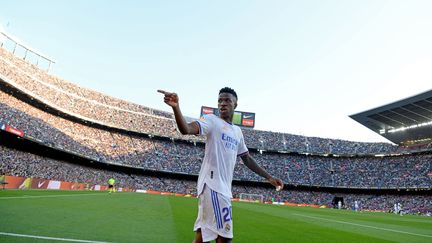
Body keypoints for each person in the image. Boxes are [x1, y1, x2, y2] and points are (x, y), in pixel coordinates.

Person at [158, 87, 284, 243]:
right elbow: (186, 129)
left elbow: (247, 158)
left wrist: (269, 177)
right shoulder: (212, 121)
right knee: (225, 237)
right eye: (220, 101)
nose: (222, 104)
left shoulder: (237, 131)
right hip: (213, 186)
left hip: (222, 188)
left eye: (227, 100)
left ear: (235, 105)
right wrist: (176, 108)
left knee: (201, 237)